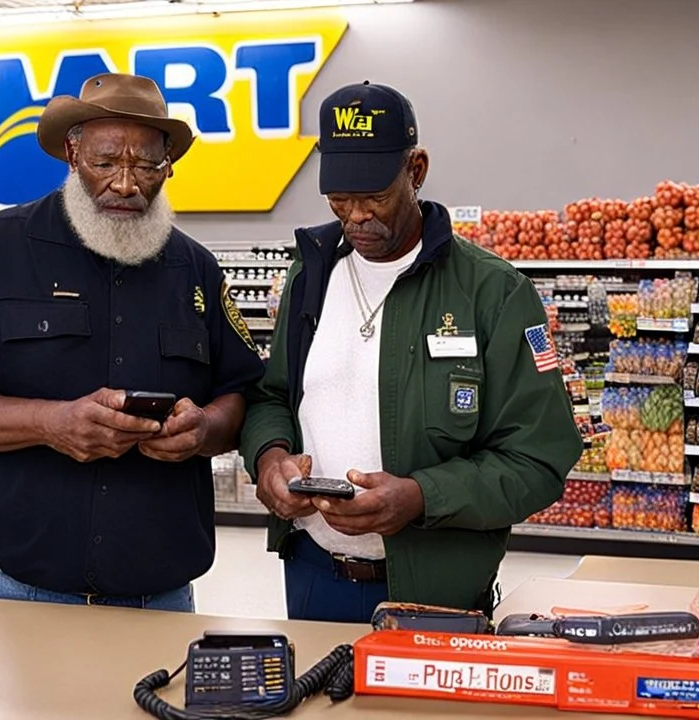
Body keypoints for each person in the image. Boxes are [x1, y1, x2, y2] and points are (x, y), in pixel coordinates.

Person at [0, 73, 266, 613]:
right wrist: (48, 424)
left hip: (159, 597)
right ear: (72, 154)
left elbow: (240, 395)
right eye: (105, 162)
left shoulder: (196, 268)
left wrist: (205, 430)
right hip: (13, 592)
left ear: (168, 165)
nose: (126, 183)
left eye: (146, 164)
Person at [239, 81, 582, 623]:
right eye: (340, 199)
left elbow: (539, 460)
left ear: (416, 170)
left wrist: (422, 496)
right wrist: (270, 457)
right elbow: (271, 395)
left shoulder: (493, 293)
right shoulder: (310, 275)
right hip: (311, 574)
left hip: (433, 589)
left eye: (374, 196)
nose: (355, 217)